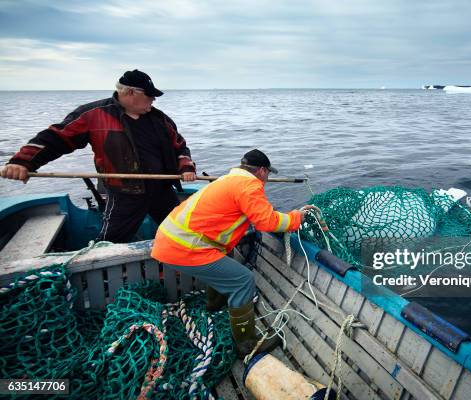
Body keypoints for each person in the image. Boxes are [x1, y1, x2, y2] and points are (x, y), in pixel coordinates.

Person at [0, 69, 198, 243]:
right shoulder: (94, 114)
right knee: (109, 242)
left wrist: (186, 167)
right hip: (125, 193)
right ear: (129, 93)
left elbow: (179, 147)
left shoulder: (160, 119)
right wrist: (22, 162)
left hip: (162, 190)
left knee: (183, 234)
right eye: (149, 96)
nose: (153, 100)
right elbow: (56, 138)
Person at [151, 149, 312, 357]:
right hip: (184, 246)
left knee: (225, 259)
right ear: (262, 171)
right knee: (243, 280)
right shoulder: (249, 185)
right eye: (268, 173)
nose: (267, 178)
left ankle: (214, 307)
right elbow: (266, 221)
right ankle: (247, 343)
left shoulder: (230, 180)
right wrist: (296, 218)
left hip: (171, 240)